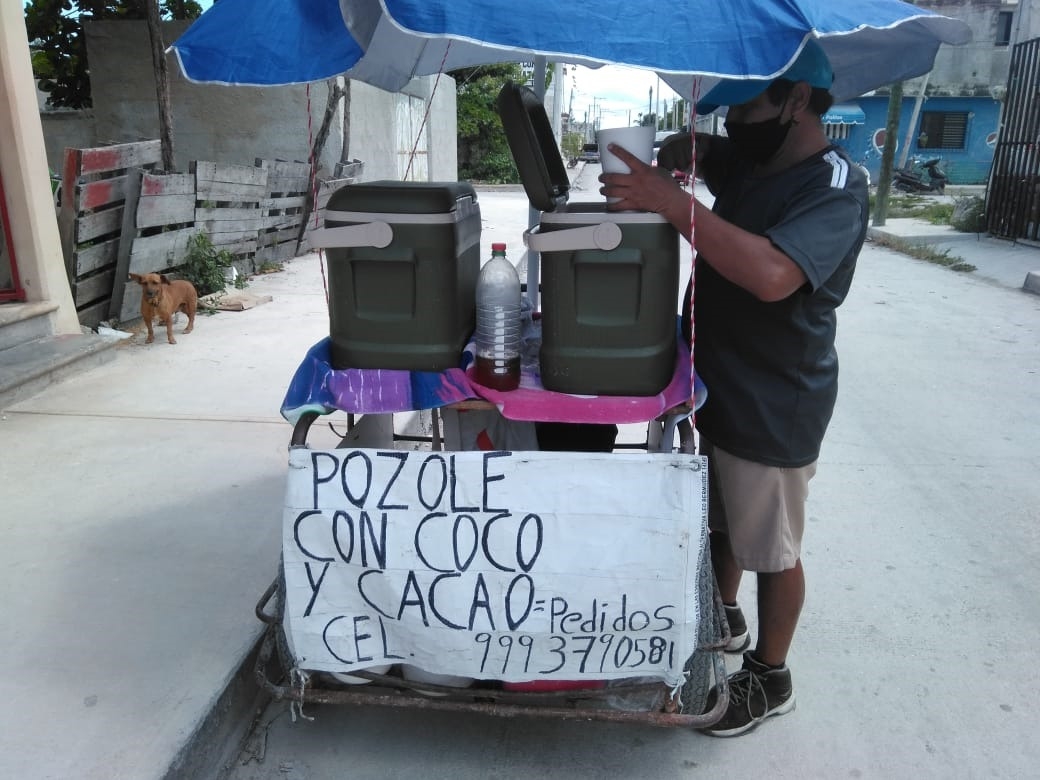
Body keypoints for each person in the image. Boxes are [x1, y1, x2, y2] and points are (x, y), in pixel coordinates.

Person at [599, 40, 868, 737]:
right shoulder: (751, 158)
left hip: (778, 395)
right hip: (716, 377)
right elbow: (706, 154)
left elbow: (774, 274)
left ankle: (770, 678)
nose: (736, 124)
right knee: (716, 522)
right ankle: (720, 625)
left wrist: (669, 201)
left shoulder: (833, 185)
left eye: (747, 106)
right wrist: (675, 152)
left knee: (770, 547)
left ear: (797, 100)